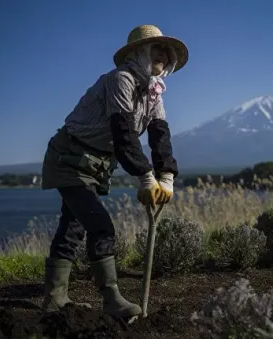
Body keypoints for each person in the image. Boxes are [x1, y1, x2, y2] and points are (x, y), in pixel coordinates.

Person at [39, 24, 188, 319]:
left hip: (97, 165)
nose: (161, 54)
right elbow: (123, 133)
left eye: (164, 50)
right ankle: (111, 299)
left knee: (73, 226)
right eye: (155, 48)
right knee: (100, 226)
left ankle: (54, 299)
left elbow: (160, 136)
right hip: (69, 157)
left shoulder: (154, 94)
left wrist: (166, 176)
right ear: (138, 52)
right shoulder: (121, 80)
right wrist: (146, 176)